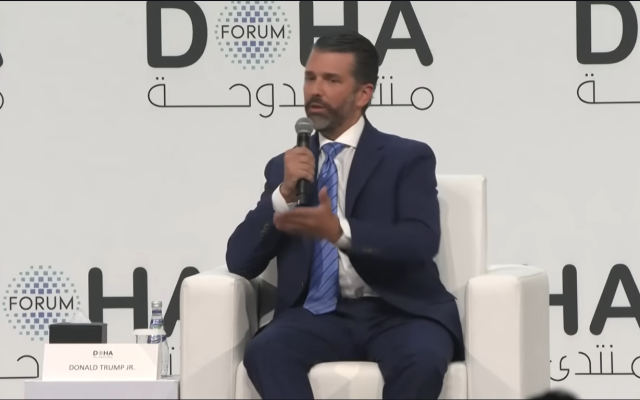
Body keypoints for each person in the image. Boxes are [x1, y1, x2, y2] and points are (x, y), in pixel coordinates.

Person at [225, 30, 463, 399]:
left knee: (421, 359)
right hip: (317, 315)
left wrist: (340, 231)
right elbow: (240, 261)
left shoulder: (406, 158)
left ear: (363, 93)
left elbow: (420, 242)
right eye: (310, 78)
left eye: (331, 80)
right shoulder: (285, 167)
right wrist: (283, 195)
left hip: (399, 311)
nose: (315, 91)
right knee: (265, 351)